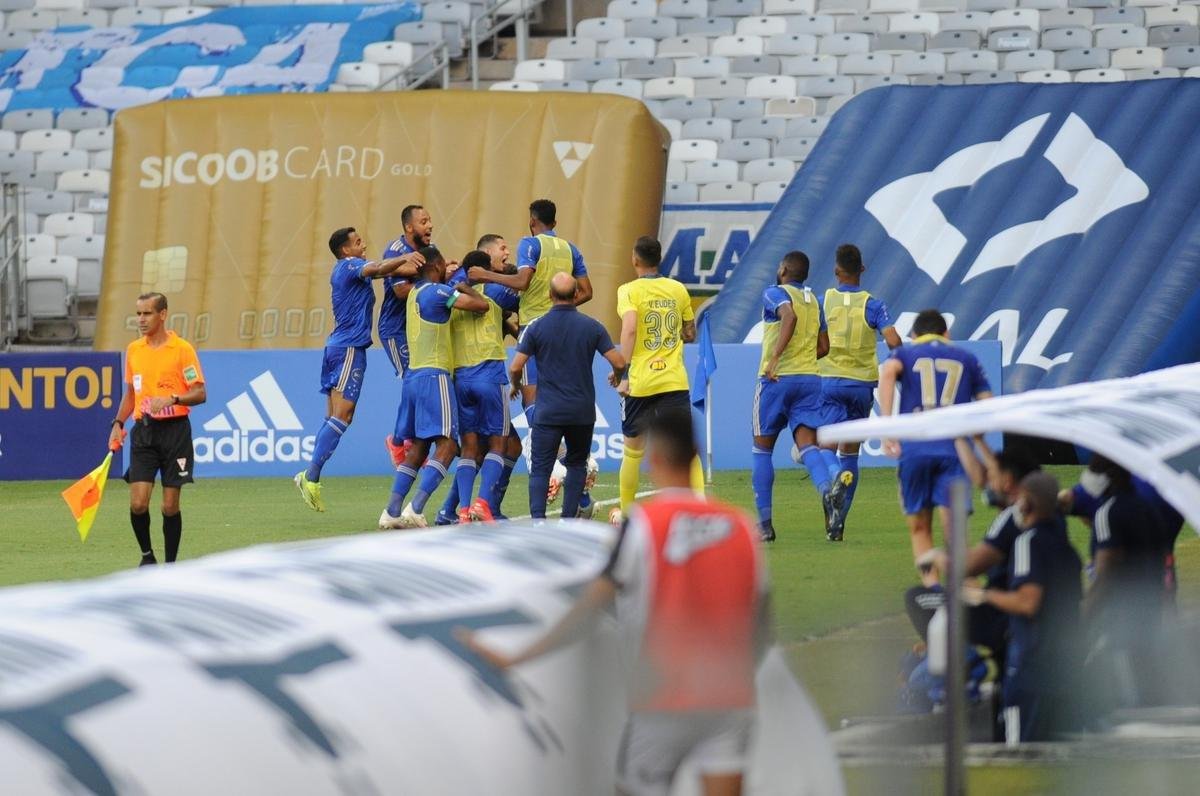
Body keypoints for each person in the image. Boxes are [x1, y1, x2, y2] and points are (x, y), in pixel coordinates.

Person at [459, 410, 770, 796]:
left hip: (664, 698)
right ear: (694, 455)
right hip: (728, 698)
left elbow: (590, 609)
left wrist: (517, 657)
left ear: (652, 458)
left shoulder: (643, 526)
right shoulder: (741, 526)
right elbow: (760, 621)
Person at [294, 227, 421, 511]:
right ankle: (310, 476)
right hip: (349, 349)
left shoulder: (348, 269)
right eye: (357, 242)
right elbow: (378, 268)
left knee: (334, 418)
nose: (363, 245)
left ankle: (310, 476)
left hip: (338, 347)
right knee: (343, 416)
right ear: (345, 250)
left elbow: (380, 271)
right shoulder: (349, 266)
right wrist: (404, 258)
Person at [963, 472, 1082, 744]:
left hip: (1031, 665)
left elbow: (1028, 602)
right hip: (1063, 665)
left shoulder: (1028, 542)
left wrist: (984, 594)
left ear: (1026, 504)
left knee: (1019, 755)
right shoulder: (1068, 549)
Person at [379, 246, 489, 529]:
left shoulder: (414, 292)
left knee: (418, 447)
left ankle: (391, 511)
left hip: (413, 377)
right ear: (437, 264)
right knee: (450, 445)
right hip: (434, 376)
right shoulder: (438, 292)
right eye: (442, 264)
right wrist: (466, 286)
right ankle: (416, 508)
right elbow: (481, 306)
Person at [878, 309, 992, 566]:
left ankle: (931, 590)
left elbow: (887, 373)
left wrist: (888, 428)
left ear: (914, 334)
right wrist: (977, 437)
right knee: (955, 530)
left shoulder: (904, 353)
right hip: (955, 451)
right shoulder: (966, 357)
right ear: (946, 333)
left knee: (919, 526)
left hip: (915, 448)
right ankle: (962, 589)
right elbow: (988, 404)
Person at [510, 272, 626, 520]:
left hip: (548, 410)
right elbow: (618, 360)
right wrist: (617, 376)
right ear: (576, 295)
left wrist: (515, 385)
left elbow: (515, 366)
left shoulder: (536, 327)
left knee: (541, 469)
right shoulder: (592, 326)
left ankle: (538, 523)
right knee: (576, 465)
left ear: (550, 296)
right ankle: (568, 521)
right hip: (581, 411)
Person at [108, 292, 207, 566]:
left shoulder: (182, 350)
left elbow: (199, 393)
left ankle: (171, 566)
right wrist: (117, 423)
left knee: (169, 506)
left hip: (175, 433)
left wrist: (174, 398)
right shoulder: (134, 350)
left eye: (147, 313)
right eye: (138, 313)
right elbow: (131, 394)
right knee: (138, 503)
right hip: (143, 432)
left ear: (162, 315)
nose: (141, 319)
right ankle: (147, 556)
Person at [468, 198, 592, 415]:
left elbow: (522, 281)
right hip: (563, 326)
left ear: (532, 221)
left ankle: (552, 446)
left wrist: (485, 274)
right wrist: (560, 306)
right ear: (555, 222)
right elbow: (587, 292)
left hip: (534, 326)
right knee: (557, 393)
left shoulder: (530, 244)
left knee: (532, 398)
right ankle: (570, 447)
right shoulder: (571, 249)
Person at [434, 234, 527, 524]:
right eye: (503, 248)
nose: (507, 252)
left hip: (460, 376)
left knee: (473, 449)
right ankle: (485, 505)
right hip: (488, 374)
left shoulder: (449, 289)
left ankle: (456, 510)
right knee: (502, 445)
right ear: (486, 255)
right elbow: (526, 287)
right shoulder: (494, 289)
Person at [613, 236, 701, 524]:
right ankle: (699, 509)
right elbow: (690, 334)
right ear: (659, 259)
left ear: (635, 260)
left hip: (641, 380)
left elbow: (629, 329)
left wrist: (622, 372)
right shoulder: (677, 289)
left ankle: (627, 515)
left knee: (633, 449)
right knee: (685, 446)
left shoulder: (628, 290)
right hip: (673, 379)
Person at [818, 244, 903, 540]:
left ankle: (832, 490)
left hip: (828, 382)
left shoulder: (824, 300)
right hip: (860, 386)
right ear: (862, 270)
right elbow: (893, 339)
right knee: (850, 454)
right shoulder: (874, 305)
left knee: (824, 450)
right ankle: (838, 525)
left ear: (836, 271)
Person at [1076, 455, 1173, 710]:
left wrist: (1085, 614)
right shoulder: (1145, 507)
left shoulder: (1107, 512)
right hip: (1150, 608)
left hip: (1121, 618)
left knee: (1125, 699)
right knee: (1150, 686)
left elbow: (1107, 570)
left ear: (1104, 476)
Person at [750, 251, 830, 543]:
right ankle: (827, 491)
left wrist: (774, 358)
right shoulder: (814, 301)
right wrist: (803, 357)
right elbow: (824, 347)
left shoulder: (774, 293)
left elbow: (788, 316)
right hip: (810, 379)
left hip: (776, 380)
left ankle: (765, 525)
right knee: (807, 446)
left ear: (783, 269)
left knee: (762, 450)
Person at [381, 205, 434, 467]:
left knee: (419, 382)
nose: (430, 225)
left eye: (430, 221)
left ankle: (407, 438)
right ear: (409, 227)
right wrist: (433, 284)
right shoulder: (396, 252)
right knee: (412, 381)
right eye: (424, 221)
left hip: (417, 330)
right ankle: (400, 441)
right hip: (396, 329)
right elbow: (402, 292)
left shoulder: (425, 253)